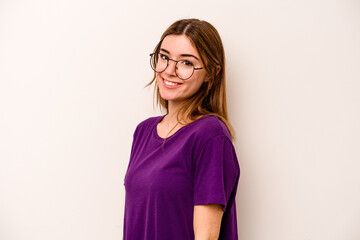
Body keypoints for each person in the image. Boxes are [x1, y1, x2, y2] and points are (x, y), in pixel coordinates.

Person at [123, 18, 240, 240]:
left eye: (186, 63)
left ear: (211, 74)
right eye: (165, 57)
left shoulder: (210, 136)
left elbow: (206, 237)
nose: (169, 70)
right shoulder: (143, 131)